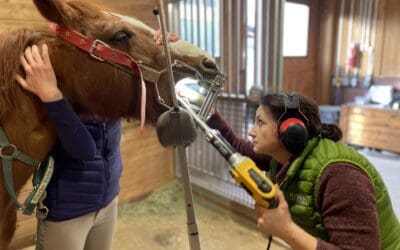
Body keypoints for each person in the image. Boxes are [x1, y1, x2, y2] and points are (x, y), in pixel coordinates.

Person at [15, 31, 179, 250]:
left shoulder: (105, 82)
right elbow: (84, 150)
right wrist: (51, 96)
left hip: (108, 200)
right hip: (68, 211)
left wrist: (159, 48)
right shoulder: (63, 77)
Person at [206, 92, 400, 249]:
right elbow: (237, 145)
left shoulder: (340, 175)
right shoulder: (281, 156)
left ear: (289, 131)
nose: (251, 131)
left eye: (260, 122)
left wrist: (286, 230)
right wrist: (210, 115)